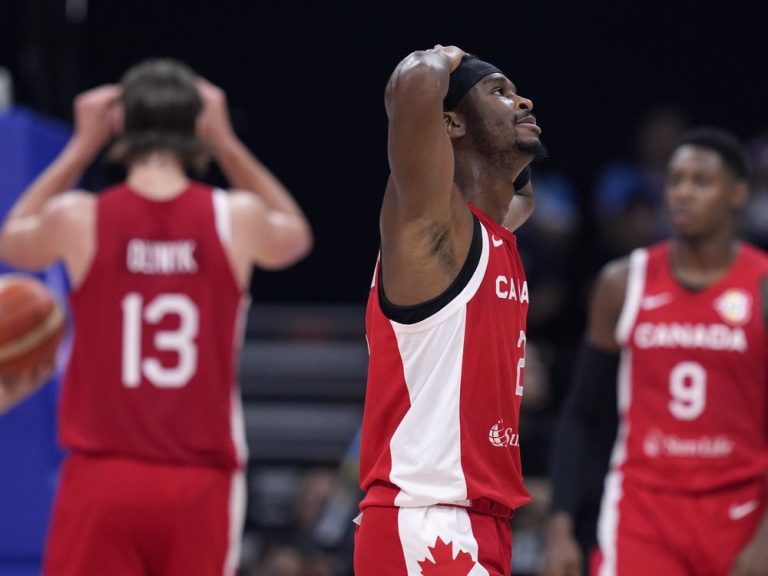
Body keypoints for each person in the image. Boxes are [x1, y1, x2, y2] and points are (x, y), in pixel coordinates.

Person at [0, 58, 312, 575]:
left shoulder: (83, 217)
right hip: (197, 478)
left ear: (120, 125)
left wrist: (80, 147)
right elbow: (296, 235)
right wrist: (227, 142)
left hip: (103, 473)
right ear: (197, 127)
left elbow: (13, 237)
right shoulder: (232, 217)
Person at [541, 127, 768, 576]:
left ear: (737, 193)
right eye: (675, 180)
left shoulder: (762, 286)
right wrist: (560, 526)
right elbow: (581, 415)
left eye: (700, 181)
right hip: (644, 513)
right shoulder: (623, 283)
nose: (682, 193)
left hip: (740, 510)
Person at [354, 44, 546, 575]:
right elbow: (412, 85)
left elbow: (519, 195)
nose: (524, 101)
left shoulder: (496, 235)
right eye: (500, 92)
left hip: (483, 522)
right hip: (427, 519)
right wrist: (442, 58)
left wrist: (505, 132)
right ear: (450, 124)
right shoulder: (430, 231)